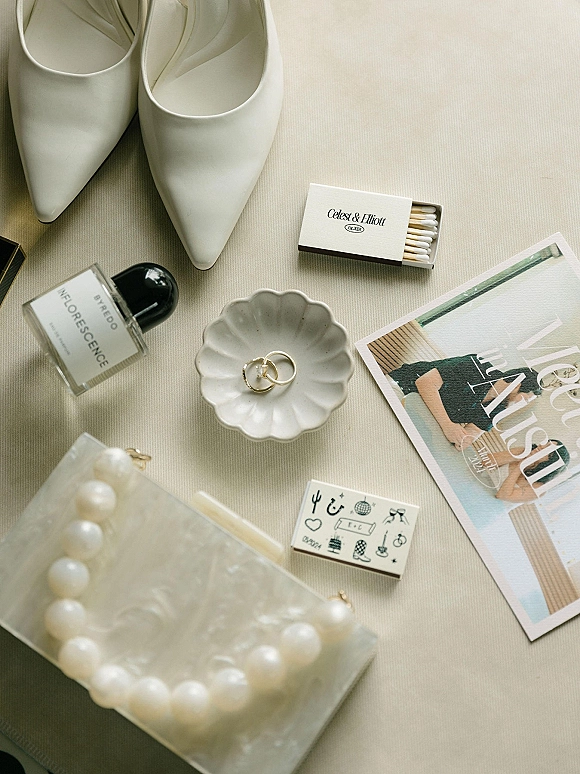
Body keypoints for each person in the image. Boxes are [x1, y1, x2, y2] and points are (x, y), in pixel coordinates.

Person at [389, 355, 541, 449]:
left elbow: (472, 433)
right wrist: (448, 426)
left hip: (422, 414)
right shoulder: (477, 366)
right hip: (401, 388)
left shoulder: (499, 406)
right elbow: (425, 383)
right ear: (516, 385)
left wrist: (463, 439)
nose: (521, 405)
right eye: (525, 399)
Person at [490, 441, 570, 502]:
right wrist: (516, 458)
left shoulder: (539, 488)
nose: (541, 445)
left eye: (548, 448)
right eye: (546, 443)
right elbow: (486, 462)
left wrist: (520, 467)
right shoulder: (521, 452)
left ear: (552, 462)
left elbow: (502, 496)